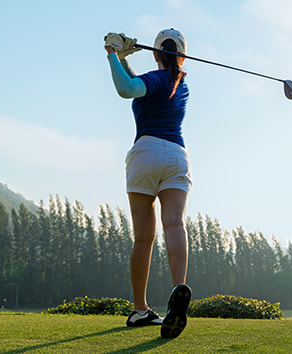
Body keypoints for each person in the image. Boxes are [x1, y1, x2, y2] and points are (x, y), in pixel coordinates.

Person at [104, 28, 192, 339]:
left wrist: (113, 54)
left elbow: (128, 89)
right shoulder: (181, 86)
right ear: (181, 54)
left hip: (146, 152)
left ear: (155, 54)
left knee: (144, 239)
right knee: (174, 225)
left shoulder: (155, 79)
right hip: (177, 155)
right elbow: (140, 83)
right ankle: (178, 290)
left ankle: (141, 309)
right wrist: (125, 59)